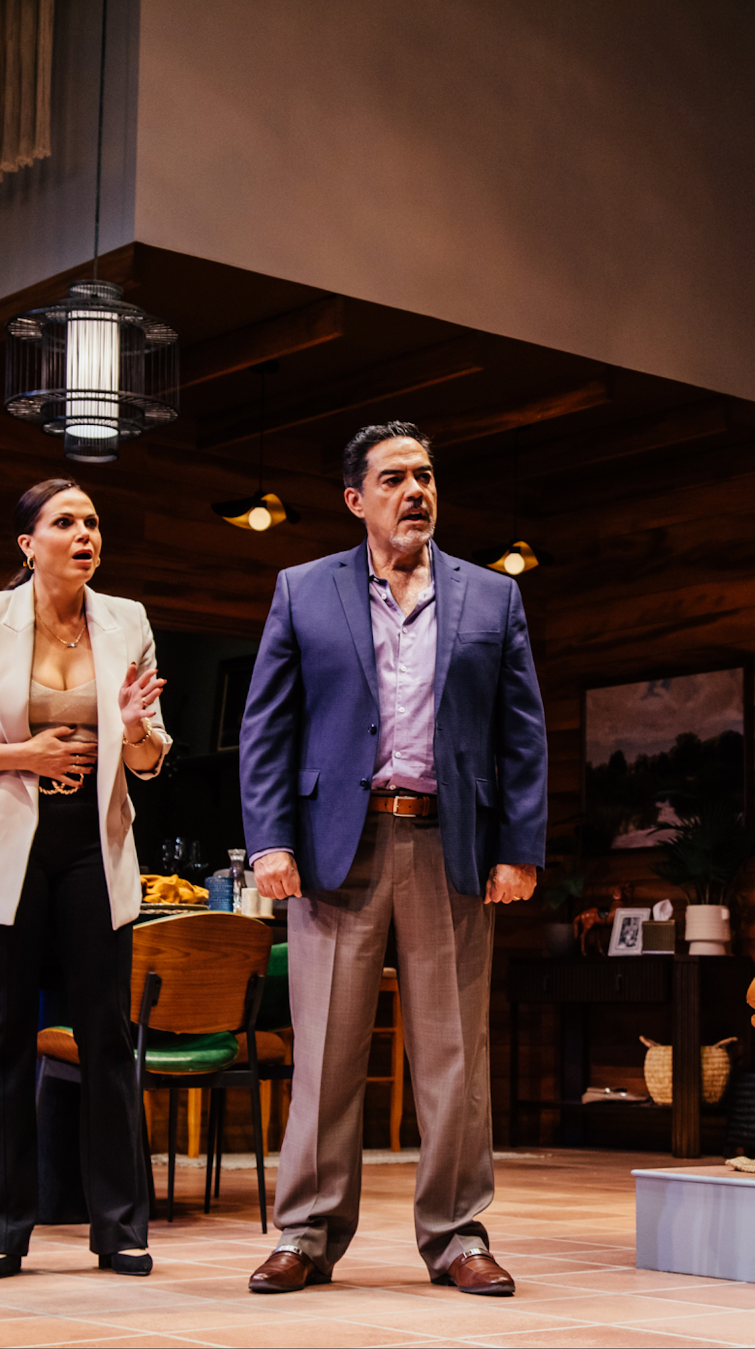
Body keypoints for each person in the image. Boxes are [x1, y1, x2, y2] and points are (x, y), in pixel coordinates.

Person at [238, 421, 547, 1296]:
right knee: (326, 1054)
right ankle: (306, 1232)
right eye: (394, 478)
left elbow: (522, 734)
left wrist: (518, 847)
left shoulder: (492, 597)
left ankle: (457, 1235)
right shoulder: (303, 589)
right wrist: (270, 839)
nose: (416, 491)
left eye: (426, 475)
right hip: (338, 847)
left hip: (451, 841)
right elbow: (266, 727)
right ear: (356, 498)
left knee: (455, 1057)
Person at [0, 478, 170, 1279]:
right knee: (3, 1037)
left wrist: (134, 730)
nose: (85, 533)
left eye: (93, 521)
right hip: (7, 845)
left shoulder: (127, 620)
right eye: (66, 522)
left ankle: (119, 1227)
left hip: (93, 842)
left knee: (106, 1038)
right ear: (29, 544)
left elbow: (149, 759)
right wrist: (26, 755)